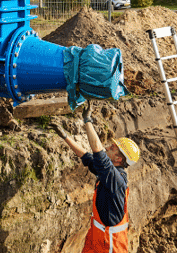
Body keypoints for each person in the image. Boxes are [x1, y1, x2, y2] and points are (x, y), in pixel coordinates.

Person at [52, 104, 140, 253]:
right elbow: (87, 157)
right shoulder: (108, 175)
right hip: (97, 237)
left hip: (110, 245)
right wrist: (65, 137)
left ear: (118, 159)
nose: (107, 148)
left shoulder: (115, 179)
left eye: (112, 149)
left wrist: (87, 120)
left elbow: (98, 152)